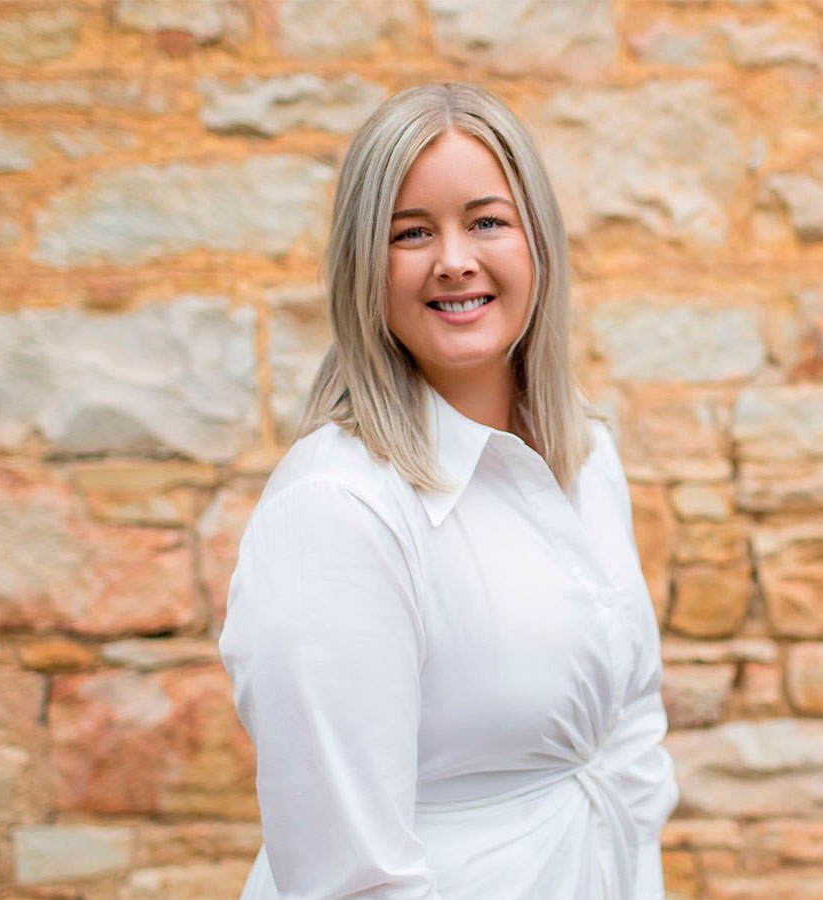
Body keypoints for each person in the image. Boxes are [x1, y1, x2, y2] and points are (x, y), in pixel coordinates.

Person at [219, 82, 678, 900]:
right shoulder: (337, 509)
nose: (455, 259)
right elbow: (350, 877)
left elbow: (630, 738)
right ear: (364, 266)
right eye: (411, 232)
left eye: (487, 221)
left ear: (538, 242)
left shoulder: (586, 456)